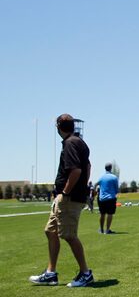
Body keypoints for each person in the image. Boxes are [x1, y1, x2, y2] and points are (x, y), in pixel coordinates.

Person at [29, 114, 94, 288]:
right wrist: (83, 187)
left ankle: (86, 273)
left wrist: (65, 193)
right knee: (50, 231)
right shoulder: (78, 141)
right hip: (68, 196)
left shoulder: (70, 143)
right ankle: (51, 274)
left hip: (68, 198)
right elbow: (88, 167)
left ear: (59, 127)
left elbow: (76, 171)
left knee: (69, 235)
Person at [96, 162, 119, 234]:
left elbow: (96, 185)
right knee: (110, 214)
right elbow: (116, 189)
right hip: (111, 198)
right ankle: (107, 230)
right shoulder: (114, 177)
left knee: (102, 214)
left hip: (102, 198)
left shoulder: (101, 177)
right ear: (111, 168)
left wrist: (96, 192)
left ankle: (101, 229)